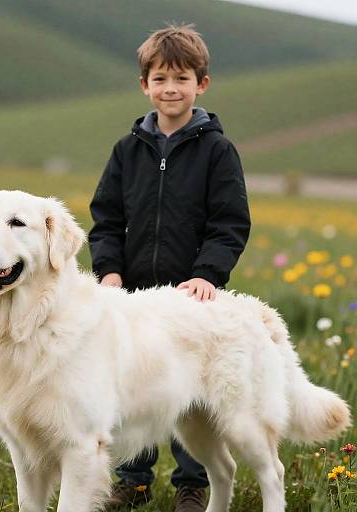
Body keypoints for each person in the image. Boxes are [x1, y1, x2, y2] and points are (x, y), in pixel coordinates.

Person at [88, 24, 251, 512]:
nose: (170, 88)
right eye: (160, 78)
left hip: (191, 299)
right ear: (145, 85)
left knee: (188, 391)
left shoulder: (217, 150)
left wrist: (207, 275)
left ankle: (192, 485)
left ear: (202, 83)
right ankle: (132, 480)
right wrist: (109, 271)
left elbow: (230, 223)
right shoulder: (127, 149)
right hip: (132, 299)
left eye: (182, 78)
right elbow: (106, 218)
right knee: (129, 388)